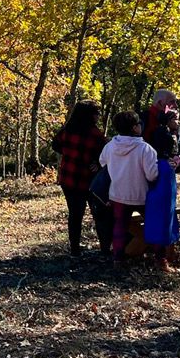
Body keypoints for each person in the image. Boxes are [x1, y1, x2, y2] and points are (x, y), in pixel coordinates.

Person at [100, 111, 159, 265]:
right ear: (135, 128)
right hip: (142, 195)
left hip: (117, 194)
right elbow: (152, 175)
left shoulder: (110, 146)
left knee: (119, 226)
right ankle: (161, 258)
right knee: (154, 224)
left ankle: (117, 258)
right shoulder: (145, 149)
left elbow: (102, 163)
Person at [52, 100, 110, 256]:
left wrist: (68, 153)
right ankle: (105, 249)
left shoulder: (67, 130)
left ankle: (75, 249)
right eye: (96, 113)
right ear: (90, 116)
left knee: (75, 214)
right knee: (99, 214)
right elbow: (107, 154)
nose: (98, 116)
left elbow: (55, 145)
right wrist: (97, 164)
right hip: (89, 180)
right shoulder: (95, 134)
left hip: (68, 177)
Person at [144, 110, 180, 272]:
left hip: (163, 172)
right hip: (164, 174)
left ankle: (161, 254)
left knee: (163, 216)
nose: (178, 123)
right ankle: (161, 258)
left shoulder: (156, 135)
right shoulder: (166, 135)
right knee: (165, 216)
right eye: (176, 119)